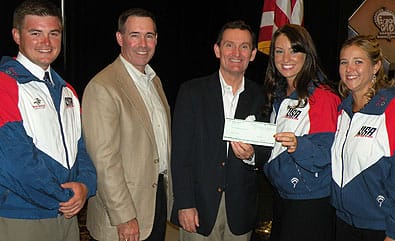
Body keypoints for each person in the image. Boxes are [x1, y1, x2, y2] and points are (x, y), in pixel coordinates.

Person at [0, 0, 97, 240]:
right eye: (36, 33)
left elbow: (81, 150)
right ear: (16, 35)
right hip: (22, 218)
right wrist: (64, 197)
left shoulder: (68, 91)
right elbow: (14, 161)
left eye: (53, 34)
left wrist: (85, 187)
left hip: (65, 216)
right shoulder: (5, 85)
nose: (46, 43)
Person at [170, 20, 271, 241]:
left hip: (241, 210)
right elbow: (180, 154)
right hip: (198, 208)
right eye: (229, 45)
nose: (237, 53)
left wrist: (252, 155)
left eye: (244, 46)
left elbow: (266, 149)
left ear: (253, 54)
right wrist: (185, 203)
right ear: (217, 50)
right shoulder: (191, 92)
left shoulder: (262, 97)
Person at [82, 7, 172, 241]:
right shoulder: (103, 86)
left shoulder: (154, 81)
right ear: (120, 38)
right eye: (135, 35)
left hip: (154, 201)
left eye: (149, 35)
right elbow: (104, 160)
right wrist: (124, 216)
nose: (143, 43)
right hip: (124, 213)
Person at [262, 24, 341, 241]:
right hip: (283, 196)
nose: (286, 57)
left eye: (294, 50)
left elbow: (327, 154)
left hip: (310, 201)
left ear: (307, 54)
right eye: (279, 51)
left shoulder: (322, 97)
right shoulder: (278, 96)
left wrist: (299, 145)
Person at [331, 35, 395, 241]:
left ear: (376, 66)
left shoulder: (390, 108)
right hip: (343, 222)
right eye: (344, 62)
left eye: (358, 62)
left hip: (379, 228)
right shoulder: (343, 111)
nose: (350, 69)